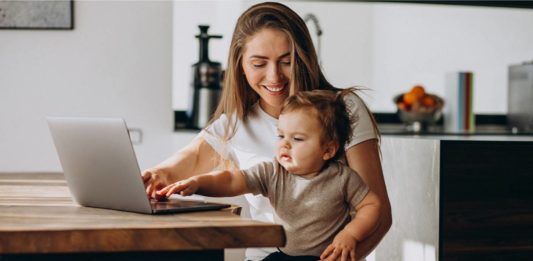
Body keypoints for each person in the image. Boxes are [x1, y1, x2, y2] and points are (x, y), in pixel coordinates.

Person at [142, 2, 392, 260]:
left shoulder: (344, 109)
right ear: (240, 64)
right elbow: (178, 168)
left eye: (287, 62)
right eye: (259, 64)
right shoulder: (234, 125)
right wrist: (156, 175)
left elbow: (379, 212)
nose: (274, 77)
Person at [157, 90, 381, 261]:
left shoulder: (343, 178)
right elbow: (232, 180)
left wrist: (351, 234)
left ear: (328, 150)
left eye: (298, 139)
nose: (285, 144)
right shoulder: (273, 172)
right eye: (281, 135)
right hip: (282, 255)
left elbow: (372, 205)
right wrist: (198, 183)